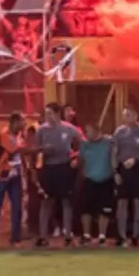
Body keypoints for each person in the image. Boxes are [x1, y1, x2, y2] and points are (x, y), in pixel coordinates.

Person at [35, 102, 82, 247]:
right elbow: (36, 149)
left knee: (66, 201)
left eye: (50, 113)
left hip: (64, 167)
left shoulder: (69, 128)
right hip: (48, 168)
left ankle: (67, 235)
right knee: (46, 201)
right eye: (46, 113)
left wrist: (76, 157)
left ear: (57, 114)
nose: (47, 116)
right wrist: (44, 150)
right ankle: (43, 236)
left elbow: (82, 143)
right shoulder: (41, 130)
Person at [112, 106, 139, 247]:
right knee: (122, 202)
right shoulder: (119, 132)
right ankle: (122, 235)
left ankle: (135, 236)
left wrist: (136, 160)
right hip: (123, 169)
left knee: (138, 202)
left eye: (128, 115)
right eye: (124, 115)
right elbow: (114, 152)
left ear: (135, 115)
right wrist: (116, 172)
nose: (125, 118)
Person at [0, 112, 26, 249]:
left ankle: (16, 239)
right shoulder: (4, 134)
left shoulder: (20, 135)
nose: (24, 124)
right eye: (22, 121)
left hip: (14, 175)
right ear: (14, 122)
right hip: (0, 176)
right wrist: (38, 147)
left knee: (17, 207)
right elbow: (15, 149)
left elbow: (21, 154)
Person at [79, 123, 114, 246]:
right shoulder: (84, 144)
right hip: (89, 179)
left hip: (106, 179)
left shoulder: (109, 142)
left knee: (104, 209)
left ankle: (102, 236)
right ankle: (86, 236)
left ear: (96, 130)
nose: (86, 134)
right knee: (85, 209)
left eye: (88, 131)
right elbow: (81, 161)